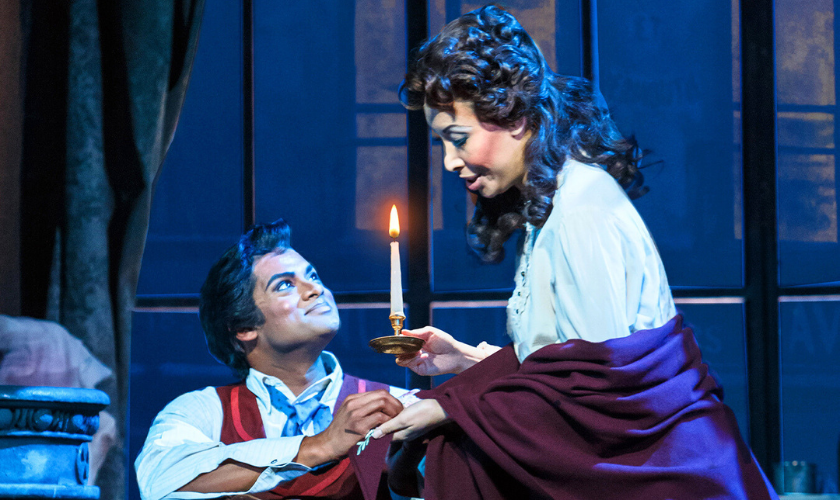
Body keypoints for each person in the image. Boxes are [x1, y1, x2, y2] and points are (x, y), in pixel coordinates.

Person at [373, 5, 779, 500]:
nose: (451, 162)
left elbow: (603, 392)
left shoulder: (582, 204)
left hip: (667, 475)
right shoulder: (553, 204)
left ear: (514, 116)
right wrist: (468, 361)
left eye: (457, 139)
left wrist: (453, 406)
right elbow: (575, 363)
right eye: (441, 144)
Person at [135, 219, 409, 500]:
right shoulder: (201, 411)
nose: (315, 289)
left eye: (312, 276)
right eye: (285, 285)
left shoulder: (395, 405)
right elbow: (160, 480)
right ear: (244, 328)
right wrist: (320, 446)